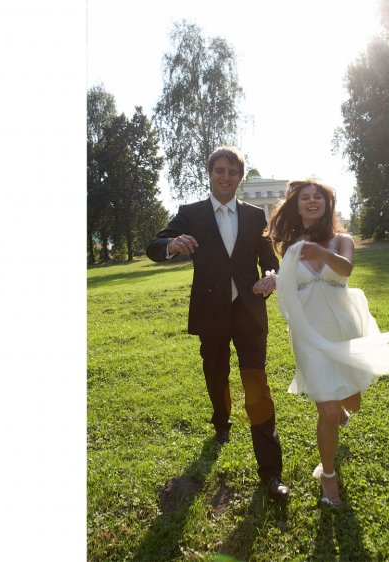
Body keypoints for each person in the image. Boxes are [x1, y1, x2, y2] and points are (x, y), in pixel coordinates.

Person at [254, 179, 389, 506]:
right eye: (305, 197)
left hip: (343, 328)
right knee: (329, 411)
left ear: (326, 204)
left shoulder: (342, 240)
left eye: (318, 197)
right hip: (308, 333)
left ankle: (342, 409)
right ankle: (328, 477)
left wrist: (323, 252)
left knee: (351, 401)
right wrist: (273, 280)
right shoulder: (289, 247)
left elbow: (345, 270)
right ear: (296, 206)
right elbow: (289, 279)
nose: (312, 201)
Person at [145, 146, 288, 500]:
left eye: (232, 172)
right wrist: (173, 243)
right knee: (215, 373)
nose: (226, 177)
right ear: (209, 174)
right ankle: (221, 422)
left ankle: (271, 473)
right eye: (219, 171)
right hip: (210, 312)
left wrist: (272, 276)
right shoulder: (190, 214)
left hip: (249, 311)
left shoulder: (255, 216)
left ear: (240, 177)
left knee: (257, 386)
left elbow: (270, 260)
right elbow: (153, 244)